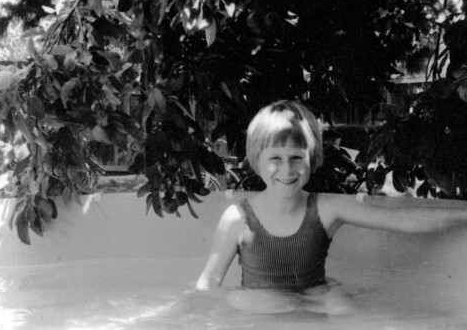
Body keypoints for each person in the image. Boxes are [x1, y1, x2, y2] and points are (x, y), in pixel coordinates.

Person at [194, 99, 467, 314]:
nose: (287, 170)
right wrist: (237, 302)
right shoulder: (238, 218)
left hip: (314, 304)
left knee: (339, 305)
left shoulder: (325, 208)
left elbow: (402, 220)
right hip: (260, 312)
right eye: (275, 158)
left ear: (312, 158)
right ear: (256, 158)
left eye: (297, 158)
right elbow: (207, 286)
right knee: (265, 302)